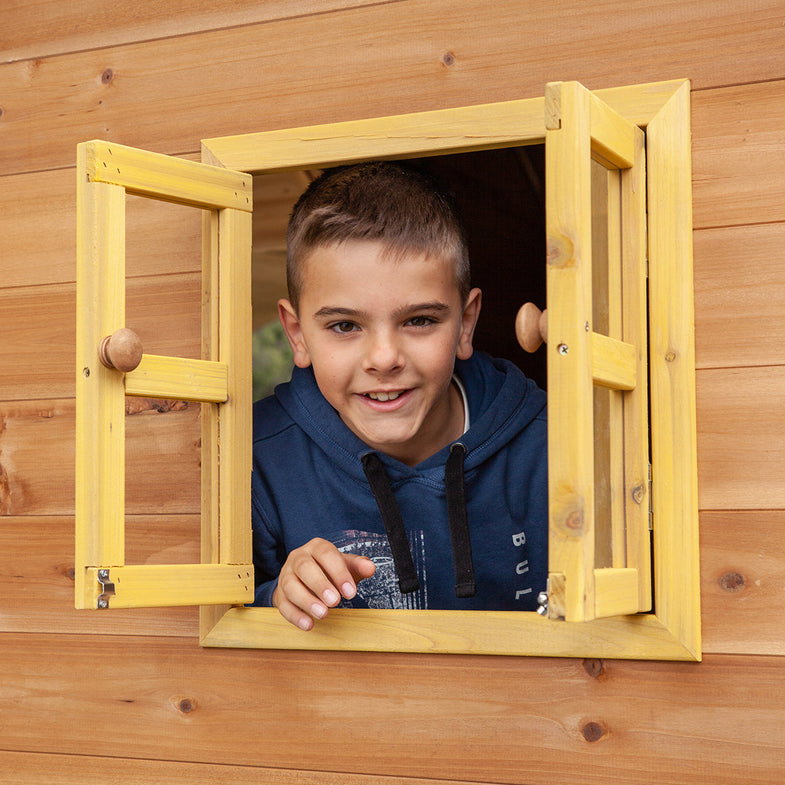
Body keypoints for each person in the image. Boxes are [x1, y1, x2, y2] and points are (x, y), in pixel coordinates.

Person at [251, 161, 547, 631]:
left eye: (419, 320)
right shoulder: (254, 461)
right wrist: (278, 598)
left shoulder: (551, 449)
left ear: (466, 324)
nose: (384, 358)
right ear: (297, 334)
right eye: (344, 326)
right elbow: (207, 626)